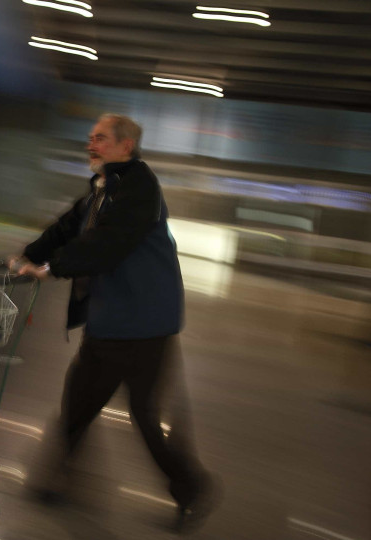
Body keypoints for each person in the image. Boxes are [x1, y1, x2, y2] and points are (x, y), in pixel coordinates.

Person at [11, 113, 219, 533]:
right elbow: (68, 227)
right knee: (77, 405)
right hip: (109, 324)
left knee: (145, 419)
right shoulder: (102, 190)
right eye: (90, 138)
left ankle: (193, 488)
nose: (92, 145)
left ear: (126, 146)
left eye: (101, 139)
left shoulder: (138, 187)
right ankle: (59, 480)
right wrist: (28, 255)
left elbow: (107, 244)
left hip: (145, 327)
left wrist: (51, 269)